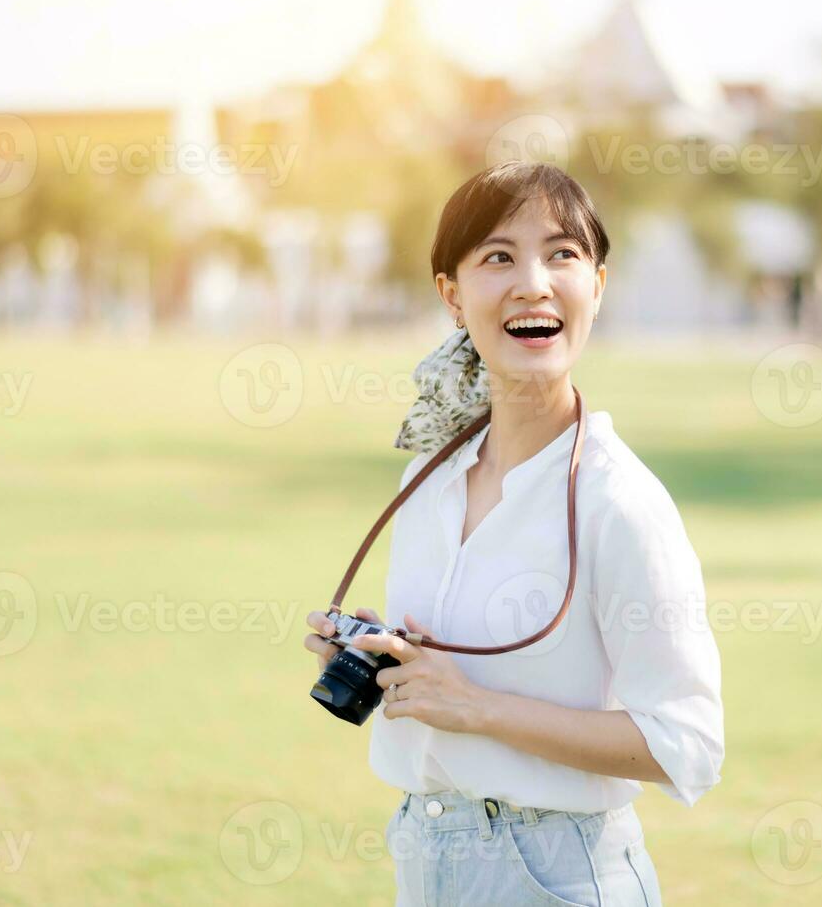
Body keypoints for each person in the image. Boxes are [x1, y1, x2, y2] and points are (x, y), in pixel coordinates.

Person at [303, 161, 724, 906]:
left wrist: (477, 709)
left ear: (597, 284)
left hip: (557, 875)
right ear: (451, 295)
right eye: (499, 257)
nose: (533, 282)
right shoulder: (426, 482)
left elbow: (686, 746)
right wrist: (387, 651)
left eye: (562, 254)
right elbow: (461, 667)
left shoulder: (619, 502)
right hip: (427, 858)